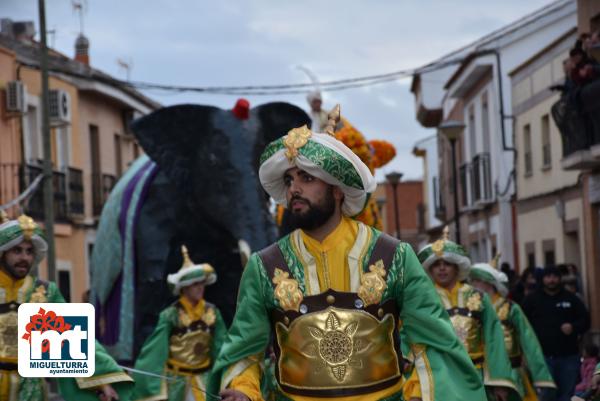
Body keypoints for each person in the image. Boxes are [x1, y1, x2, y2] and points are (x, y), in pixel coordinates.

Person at [214, 108, 486, 401]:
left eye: (306, 178)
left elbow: (433, 343)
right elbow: (244, 350)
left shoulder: (395, 256)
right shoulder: (264, 265)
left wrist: (420, 392)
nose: (294, 189)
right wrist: (243, 390)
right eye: (290, 180)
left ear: (338, 189)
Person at [0, 211, 133, 401]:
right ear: (3, 252)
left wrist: (102, 381)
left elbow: (74, 343)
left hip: (30, 390)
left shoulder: (43, 292)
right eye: (17, 251)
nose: (24, 258)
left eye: (29, 252)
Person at [417, 230, 520, 401]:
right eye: (437, 264)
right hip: (440, 377)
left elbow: (493, 340)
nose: (442, 268)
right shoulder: (423, 300)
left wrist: (499, 380)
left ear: (457, 267)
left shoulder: (479, 298)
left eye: (447, 263)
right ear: (430, 269)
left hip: (475, 376)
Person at [131, 245, 227, 401]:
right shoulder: (171, 315)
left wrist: (227, 376)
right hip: (176, 383)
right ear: (184, 288)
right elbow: (156, 350)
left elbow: (221, 347)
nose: (200, 287)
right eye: (195, 284)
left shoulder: (212, 312)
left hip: (205, 382)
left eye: (202, 283)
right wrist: (149, 383)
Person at [470, 257, 556, 401]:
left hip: (512, 371)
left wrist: (539, 374)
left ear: (489, 282)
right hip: (482, 373)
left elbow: (528, 340)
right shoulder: (472, 308)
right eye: (472, 281)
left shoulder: (510, 308)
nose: (473, 285)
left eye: (477, 280)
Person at [522, 266, 590, 401]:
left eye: (554, 277)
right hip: (542, 358)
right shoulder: (532, 299)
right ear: (543, 279)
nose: (551, 280)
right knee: (546, 393)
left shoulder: (571, 299)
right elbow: (521, 323)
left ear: (559, 279)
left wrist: (573, 327)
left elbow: (586, 321)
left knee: (566, 394)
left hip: (568, 356)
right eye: (548, 277)